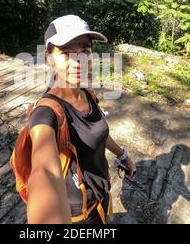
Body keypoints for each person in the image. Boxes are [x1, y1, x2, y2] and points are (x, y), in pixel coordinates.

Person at [27, 15, 135, 224]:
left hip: (101, 198)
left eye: (84, 51)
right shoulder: (46, 113)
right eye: (66, 53)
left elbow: (97, 132)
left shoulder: (87, 94)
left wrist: (122, 155)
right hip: (80, 214)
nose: (78, 62)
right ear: (49, 56)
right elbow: (45, 170)